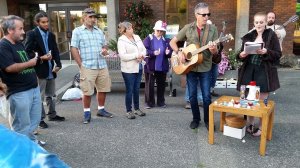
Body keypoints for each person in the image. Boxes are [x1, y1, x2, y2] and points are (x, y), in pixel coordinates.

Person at [170, 2, 220, 130]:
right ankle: (196, 119)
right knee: (192, 96)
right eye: (203, 14)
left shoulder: (213, 29)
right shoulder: (188, 28)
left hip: (205, 67)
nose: (206, 17)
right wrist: (179, 52)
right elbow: (172, 42)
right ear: (196, 15)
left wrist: (214, 49)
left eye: (208, 14)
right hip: (190, 67)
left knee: (207, 96)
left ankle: (208, 121)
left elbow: (216, 52)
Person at [237, 12, 281, 136]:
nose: (259, 24)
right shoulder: (249, 35)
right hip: (249, 70)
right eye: (257, 22)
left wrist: (267, 51)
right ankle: (250, 124)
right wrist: (241, 54)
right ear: (254, 23)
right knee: (249, 99)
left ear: (266, 22)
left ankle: (262, 127)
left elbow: (278, 54)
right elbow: (240, 54)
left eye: (261, 22)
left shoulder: (272, 35)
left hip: (264, 71)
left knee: (262, 101)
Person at [0, 15, 42, 143]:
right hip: (19, 92)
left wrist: (35, 78)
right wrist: (31, 63)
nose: (23, 32)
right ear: (10, 30)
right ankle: (21, 152)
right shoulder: (3, 46)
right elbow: (10, 68)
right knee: (21, 126)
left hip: (33, 88)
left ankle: (31, 143)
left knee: (33, 121)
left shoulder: (19, 43)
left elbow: (24, 62)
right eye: (20, 28)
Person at [71, 8, 113, 124]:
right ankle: (86, 112)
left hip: (102, 64)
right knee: (87, 91)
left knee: (103, 89)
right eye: (90, 17)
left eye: (94, 17)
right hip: (87, 66)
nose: (93, 19)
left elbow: (105, 45)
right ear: (84, 18)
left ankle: (101, 109)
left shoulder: (99, 31)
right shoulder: (77, 31)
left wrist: (105, 50)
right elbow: (73, 48)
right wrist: (80, 64)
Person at [24, 11, 65, 129]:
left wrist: (58, 64)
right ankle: (39, 119)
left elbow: (56, 50)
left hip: (50, 69)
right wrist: (41, 58)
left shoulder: (51, 35)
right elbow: (27, 51)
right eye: (43, 22)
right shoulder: (32, 34)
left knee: (51, 95)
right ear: (37, 23)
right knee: (39, 97)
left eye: (47, 22)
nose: (46, 24)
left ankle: (52, 114)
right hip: (39, 69)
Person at [117, 21, 146, 119]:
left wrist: (141, 55)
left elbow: (143, 49)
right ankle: (129, 111)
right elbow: (123, 56)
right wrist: (136, 55)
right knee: (130, 90)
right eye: (129, 28)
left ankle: (137, 109)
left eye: (132, 27)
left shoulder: (137, 37)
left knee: (137, 89)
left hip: (139, 66)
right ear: (124, 31)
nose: (132, 29)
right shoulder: (121, 40)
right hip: (128, 69)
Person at [143, 20, 172, 109]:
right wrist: (153, 53)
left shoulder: (166, 40)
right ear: (154, 29)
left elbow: (170, 52)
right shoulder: (149, 38)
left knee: (161, 85)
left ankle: (161, 102)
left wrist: (168, 52)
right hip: (151, 66)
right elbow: (143, 50)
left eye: (161, 31)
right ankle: (149, 103)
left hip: (162, 66)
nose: (159, 32)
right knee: (149, 85)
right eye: (158, 30)